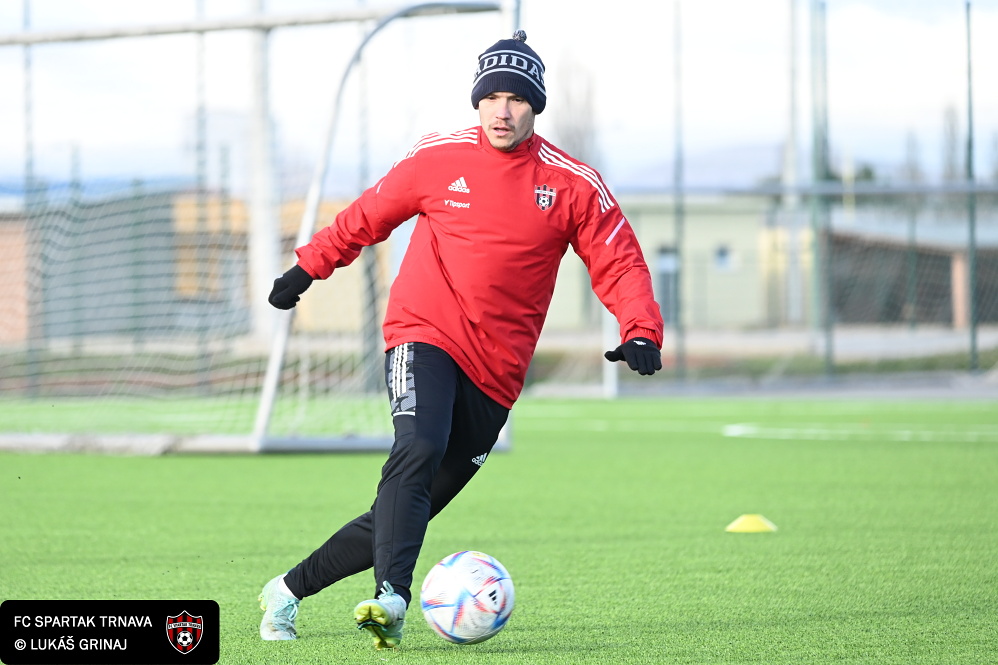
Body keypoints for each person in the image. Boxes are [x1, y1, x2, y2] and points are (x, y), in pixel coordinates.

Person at [258, 30, 664, 650]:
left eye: (517, 99)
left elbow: (620, 261)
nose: (502, 110)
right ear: (476, 102)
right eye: (491, 97)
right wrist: (306, 269)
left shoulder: (574, 183)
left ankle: (285, 591)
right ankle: (392, 598)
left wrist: (639, 329)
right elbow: (365, 216)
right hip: (423, 333)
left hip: (496, 373)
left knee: (407, 507)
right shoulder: (437, 158)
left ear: (536, 107)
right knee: (417, 445)